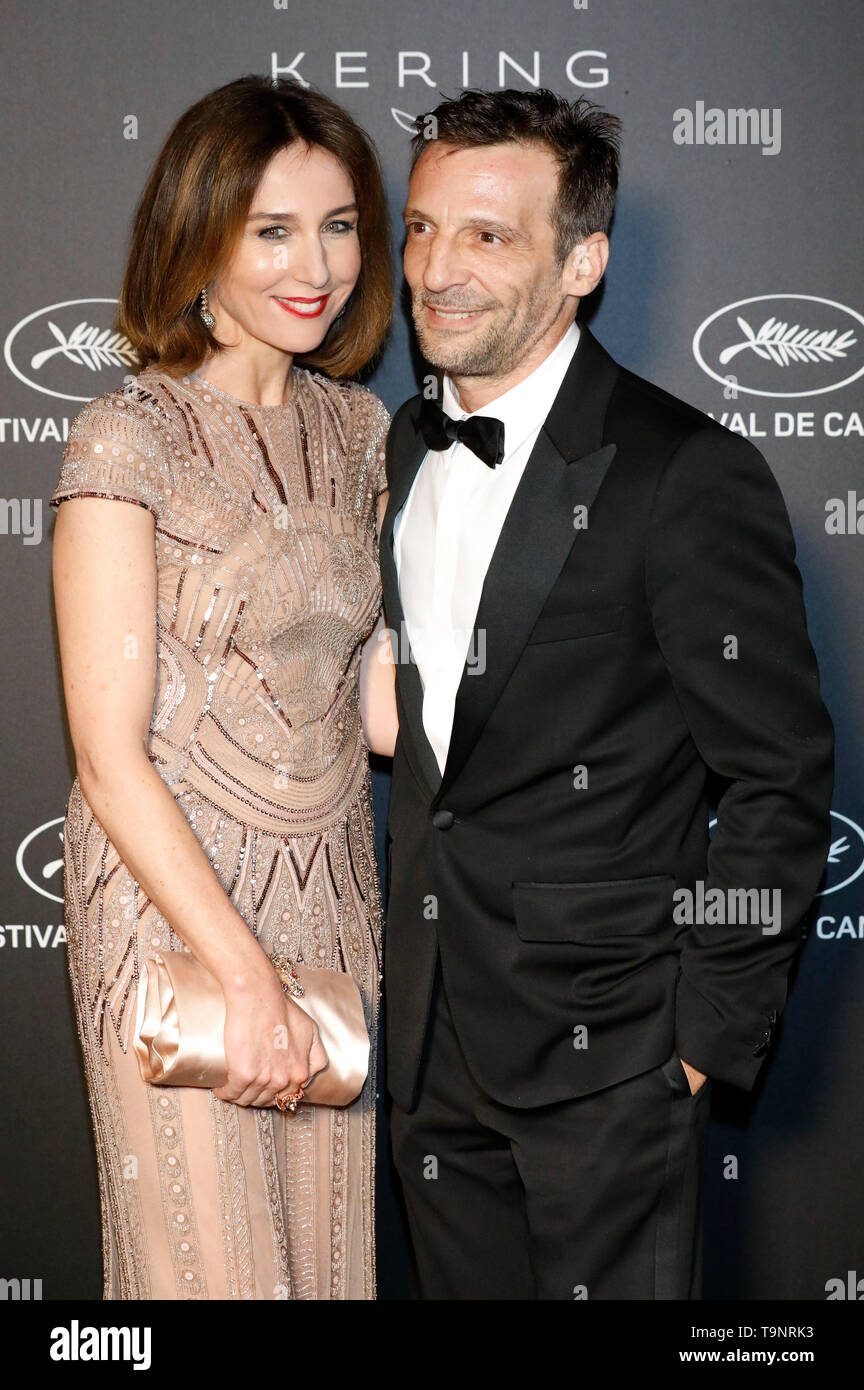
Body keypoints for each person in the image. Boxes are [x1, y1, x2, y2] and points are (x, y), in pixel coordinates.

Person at [379, 87, 835, 1300]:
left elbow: (779, 778)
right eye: (422, 228)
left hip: (608, 1061)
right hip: (428, 1050)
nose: (437, 269)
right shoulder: (400, 453)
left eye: (488, 235)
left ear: (583, 261)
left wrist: (697, 1045)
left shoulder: (685, 473)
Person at [50, 74, 397, 1301]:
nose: (321, 265)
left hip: (336, 897)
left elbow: (381, 709)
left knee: (327, 1272)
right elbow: (109, 753)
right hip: (174, 912)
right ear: (198, 237)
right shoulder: (123, 436)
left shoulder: (363, 436)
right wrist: (245, 977)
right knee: (212, 1278)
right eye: (274, 230)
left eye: (343, 224)